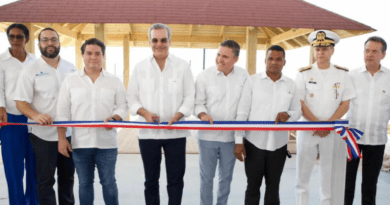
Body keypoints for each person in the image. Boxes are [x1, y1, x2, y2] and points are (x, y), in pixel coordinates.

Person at [127, 23, 195, 205]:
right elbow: (131, 98)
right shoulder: (140, 68)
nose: (159, 44)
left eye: (163, 40)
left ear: (169, 41)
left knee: (175, 181)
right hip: (148, 134)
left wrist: (179, 115)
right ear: (149, 41)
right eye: (155, 40)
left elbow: (190, 97)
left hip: (176, 133)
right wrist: (144, 113)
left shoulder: (182, 66)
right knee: (151, 181)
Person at [56, 38, 127, 205]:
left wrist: (115, 119)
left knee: (109, 183)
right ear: (82, 55)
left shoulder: (114, 80)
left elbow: (123, 106)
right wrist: (61, 138)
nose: (93, 57)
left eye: (97, 53)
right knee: (85, 184)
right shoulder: (70, 80)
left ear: (103, 56)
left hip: (107, 144)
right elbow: (62, 111)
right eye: (89, 53)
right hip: (80, 143)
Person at [14, 27, 76, 205]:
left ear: (59, 43)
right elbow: (20, 102)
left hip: (69, 134)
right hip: (43, 136)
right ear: (39, 43)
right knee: (45, 182)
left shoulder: (71, 68)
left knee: (68, 180)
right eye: (45, 40)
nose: (50, 43)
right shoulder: (29, 70)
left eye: (53, 39)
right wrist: (36, 115)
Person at [294, 30, 356, 205]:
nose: (320, 52)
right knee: (302, 175)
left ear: (332, 51)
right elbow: (299, 102)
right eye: (317, 48)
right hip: (307, 130)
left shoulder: (342, 74)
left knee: (327, 175)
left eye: (324, 48)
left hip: (331, 131)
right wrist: (316, 124)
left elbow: (345, 103)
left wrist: (327, 125)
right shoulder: (303, 74)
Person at [234, 45, 301, 204]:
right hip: (254, 143)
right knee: (252, 188)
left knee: (273, 188)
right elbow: (242, 112)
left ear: (284, 62)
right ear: (265, 61)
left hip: (279, 145)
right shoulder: (252, 81)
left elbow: (297, 111)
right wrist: (238, 141)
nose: (274, 62)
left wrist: (288, 115)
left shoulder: (291, 84)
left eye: (278, 59)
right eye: (271, 58)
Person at [194, 40, 249, 205]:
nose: (219, 59)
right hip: (207, 138)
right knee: (206, 178)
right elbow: (197, 103)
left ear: (236, 59)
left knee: (226, 178)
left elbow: (243, 110)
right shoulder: (204, 76)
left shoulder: (244, 76)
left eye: (225, 56)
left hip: (230, 139)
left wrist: (240, 140)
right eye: (218, 54)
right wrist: (202, 114)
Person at [344, 36, 388, 205]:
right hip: (351, 139)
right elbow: (341, 104)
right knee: (346, 185)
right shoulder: (351, 76)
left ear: (383, 55)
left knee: (370, 187)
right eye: (367, 51)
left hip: (377, 140)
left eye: (374, 51)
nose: (369, 54)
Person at [0, 23, 38, 205]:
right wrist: (0, 108)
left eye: (19, 37)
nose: (15, 40)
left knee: (35, 167)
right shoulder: (1, 61)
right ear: (8, 38)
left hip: (34, 119)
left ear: (27, 39)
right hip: (11, 119)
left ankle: (34, 202)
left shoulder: (36, 61)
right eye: (12, 36)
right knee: (14, 169)